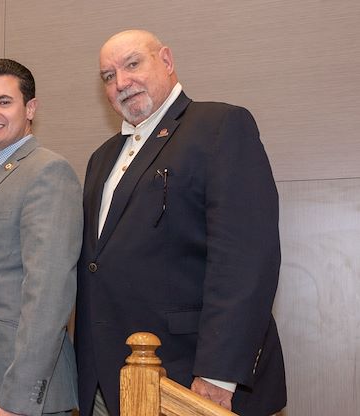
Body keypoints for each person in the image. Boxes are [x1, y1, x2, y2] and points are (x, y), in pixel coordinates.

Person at [75, 29, 286, 416]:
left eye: (132, 64)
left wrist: (218, 374)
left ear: (167, 61)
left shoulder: (219, 125)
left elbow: (245, 260)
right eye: (108, 76)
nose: (122, 82)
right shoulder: (100, 159)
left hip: (188, 378)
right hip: (108, 381)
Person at [0, 58, 83, 416]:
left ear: (30, 108)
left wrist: (19, 400)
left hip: (21, 399)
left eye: (3, 102)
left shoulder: (48, 171)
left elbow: (49, 294)